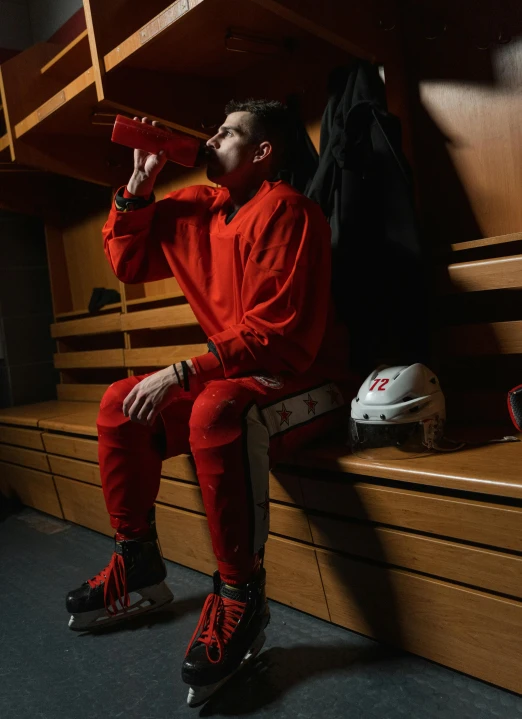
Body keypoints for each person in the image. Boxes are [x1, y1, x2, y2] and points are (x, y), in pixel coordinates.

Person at [65, 99, 351, 706]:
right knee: (122, 403)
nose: (211, 141)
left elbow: (276, 335)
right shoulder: (201, 208)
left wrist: (181, 371)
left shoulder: (290, 211)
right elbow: (128, 260)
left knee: (217, 410)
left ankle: (242, 597)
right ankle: (136, 560)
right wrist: (139, 183)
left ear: (261, 152)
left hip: (311, 383)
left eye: (226, 133)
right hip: (238, 376)